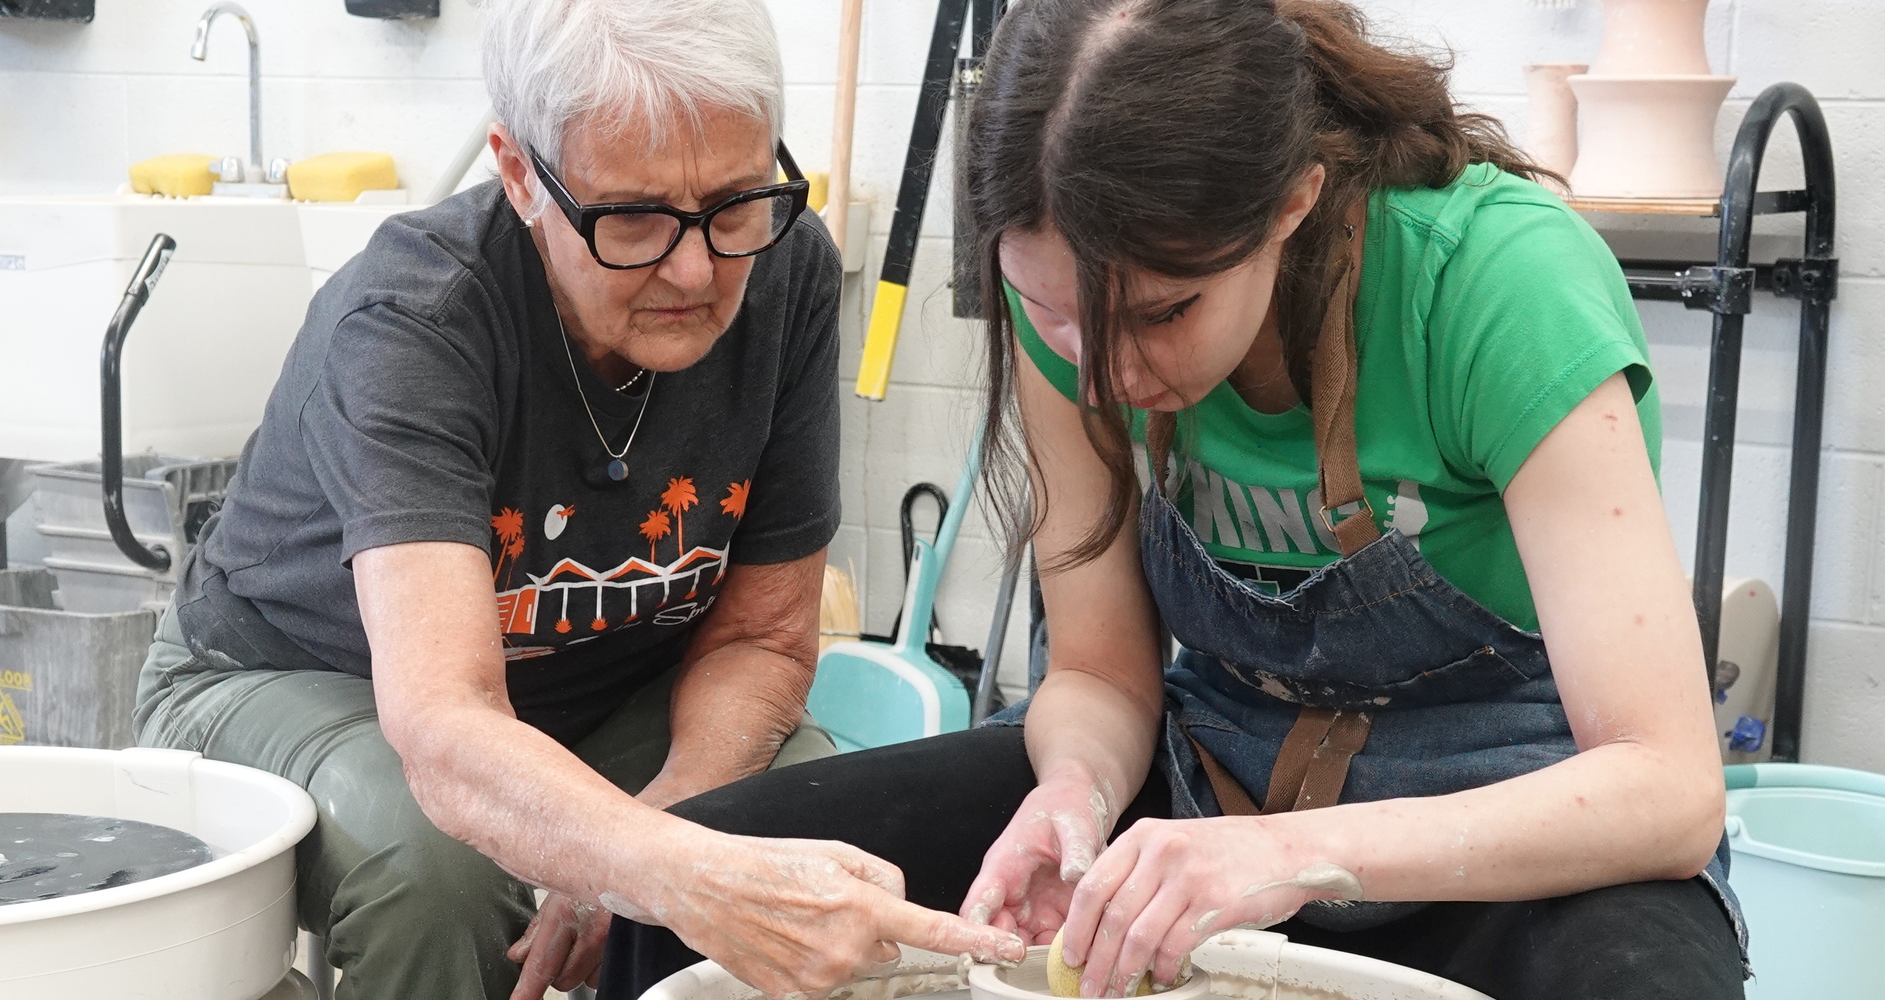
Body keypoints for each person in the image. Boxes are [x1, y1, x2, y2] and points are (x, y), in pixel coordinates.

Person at [597, 2, 1748, 999]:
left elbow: (1666, 786)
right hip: (1206, 780)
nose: (1100, 379)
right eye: (1051, 313)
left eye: (1160, 313)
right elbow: (1099, 674)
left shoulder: (1496, 283)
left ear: (1292, 201)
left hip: (1505, 821)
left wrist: (1290, 856)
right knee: (696, 881)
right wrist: (1076, 794)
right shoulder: (1074, 317)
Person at [132, 1, 1022, 998]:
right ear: (519, 173)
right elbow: (447, 723)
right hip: (294, 677)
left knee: (790, 812)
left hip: (594, 688)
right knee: (441, 877)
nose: (696, 268)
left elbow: (761, 641)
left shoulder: (784, 268)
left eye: (733, 203)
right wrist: (661, 867)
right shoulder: (417, 315)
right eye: (633, 217)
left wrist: (666, 829)